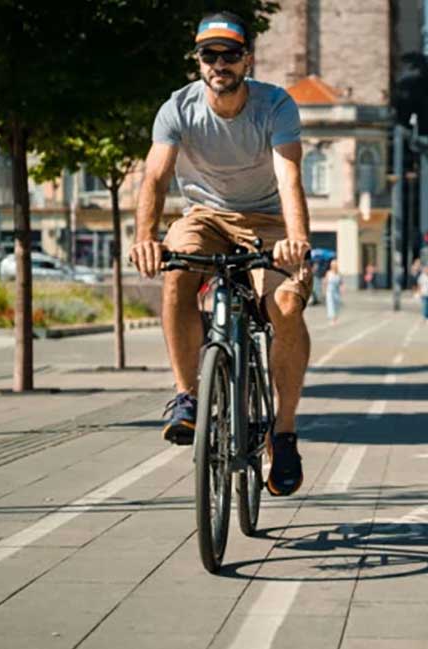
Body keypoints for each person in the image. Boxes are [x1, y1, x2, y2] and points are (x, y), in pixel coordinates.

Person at [129, 11, 311, 497]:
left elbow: (289, 176)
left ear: (246, 59)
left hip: (268, 221)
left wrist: (295, 240)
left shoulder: (275, 105)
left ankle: (285, 431)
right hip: (204, 215)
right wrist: (145, 236)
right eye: (209, 55)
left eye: (229, 54)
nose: (219, 64)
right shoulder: (178, 108)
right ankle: (187, 396)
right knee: (177, 270)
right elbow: (155, 176)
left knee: (287, 304)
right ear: (199, 61)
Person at [324, 260, 342, 325]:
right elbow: (325, 282)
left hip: (336, 291)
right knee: (331, 305)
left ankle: (335, 318)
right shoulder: (328, 273)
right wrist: (325, 290)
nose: (334, 266)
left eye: (335, 265)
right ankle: (332, 319)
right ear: (331, 266)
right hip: (330, 291)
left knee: (336, 305)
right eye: (333, 265)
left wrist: (342, 288)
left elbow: (341, 282)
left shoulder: (338, 274)